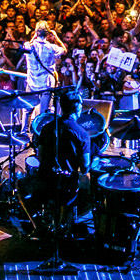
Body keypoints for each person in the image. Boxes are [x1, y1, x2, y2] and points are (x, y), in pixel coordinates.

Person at [33, 86, 91, 214]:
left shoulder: (46, 128)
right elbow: (85, 167)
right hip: (67, 186)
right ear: (78, 108)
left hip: (44, 182)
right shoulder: (82, 134)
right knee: (88, 184)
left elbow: (40, 157)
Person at [19, 21, 66, 121]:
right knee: (43, 111)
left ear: (36, 32)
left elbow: (27, 47)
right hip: (46, 83)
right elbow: (64, 50)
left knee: (27, 109)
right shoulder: (51, 47)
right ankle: (40, 133)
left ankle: (23, 131)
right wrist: (56, 37)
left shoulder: (29, 45)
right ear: (48, 33)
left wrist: (34, 36)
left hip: (32, 82)